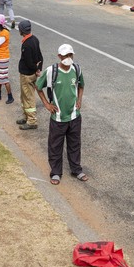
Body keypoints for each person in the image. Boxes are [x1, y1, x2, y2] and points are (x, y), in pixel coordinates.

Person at [36, 44, 87, 185]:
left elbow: (81, 85)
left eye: (70, 55)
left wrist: (79, 100)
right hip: (58, 118)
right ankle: (56, 173)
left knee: (75, 144)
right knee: (55, 146)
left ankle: (76, 169)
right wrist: (46, 104)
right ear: (59, 56)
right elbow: (38, 86)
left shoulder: (77, 69)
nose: (68, 58)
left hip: (74, 116)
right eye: (65, 56)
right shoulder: (51, 71)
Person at [17, 20, 43, 130]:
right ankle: (26, 116)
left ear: (21, 31)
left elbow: (28, 62)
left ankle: (32, 120)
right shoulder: (34, 39)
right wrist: (38, 69)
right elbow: (40, 57)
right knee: (24, 96)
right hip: (32, 73)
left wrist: (35, 68)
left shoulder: (26, 44)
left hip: (27, 75)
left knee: (28, 97)